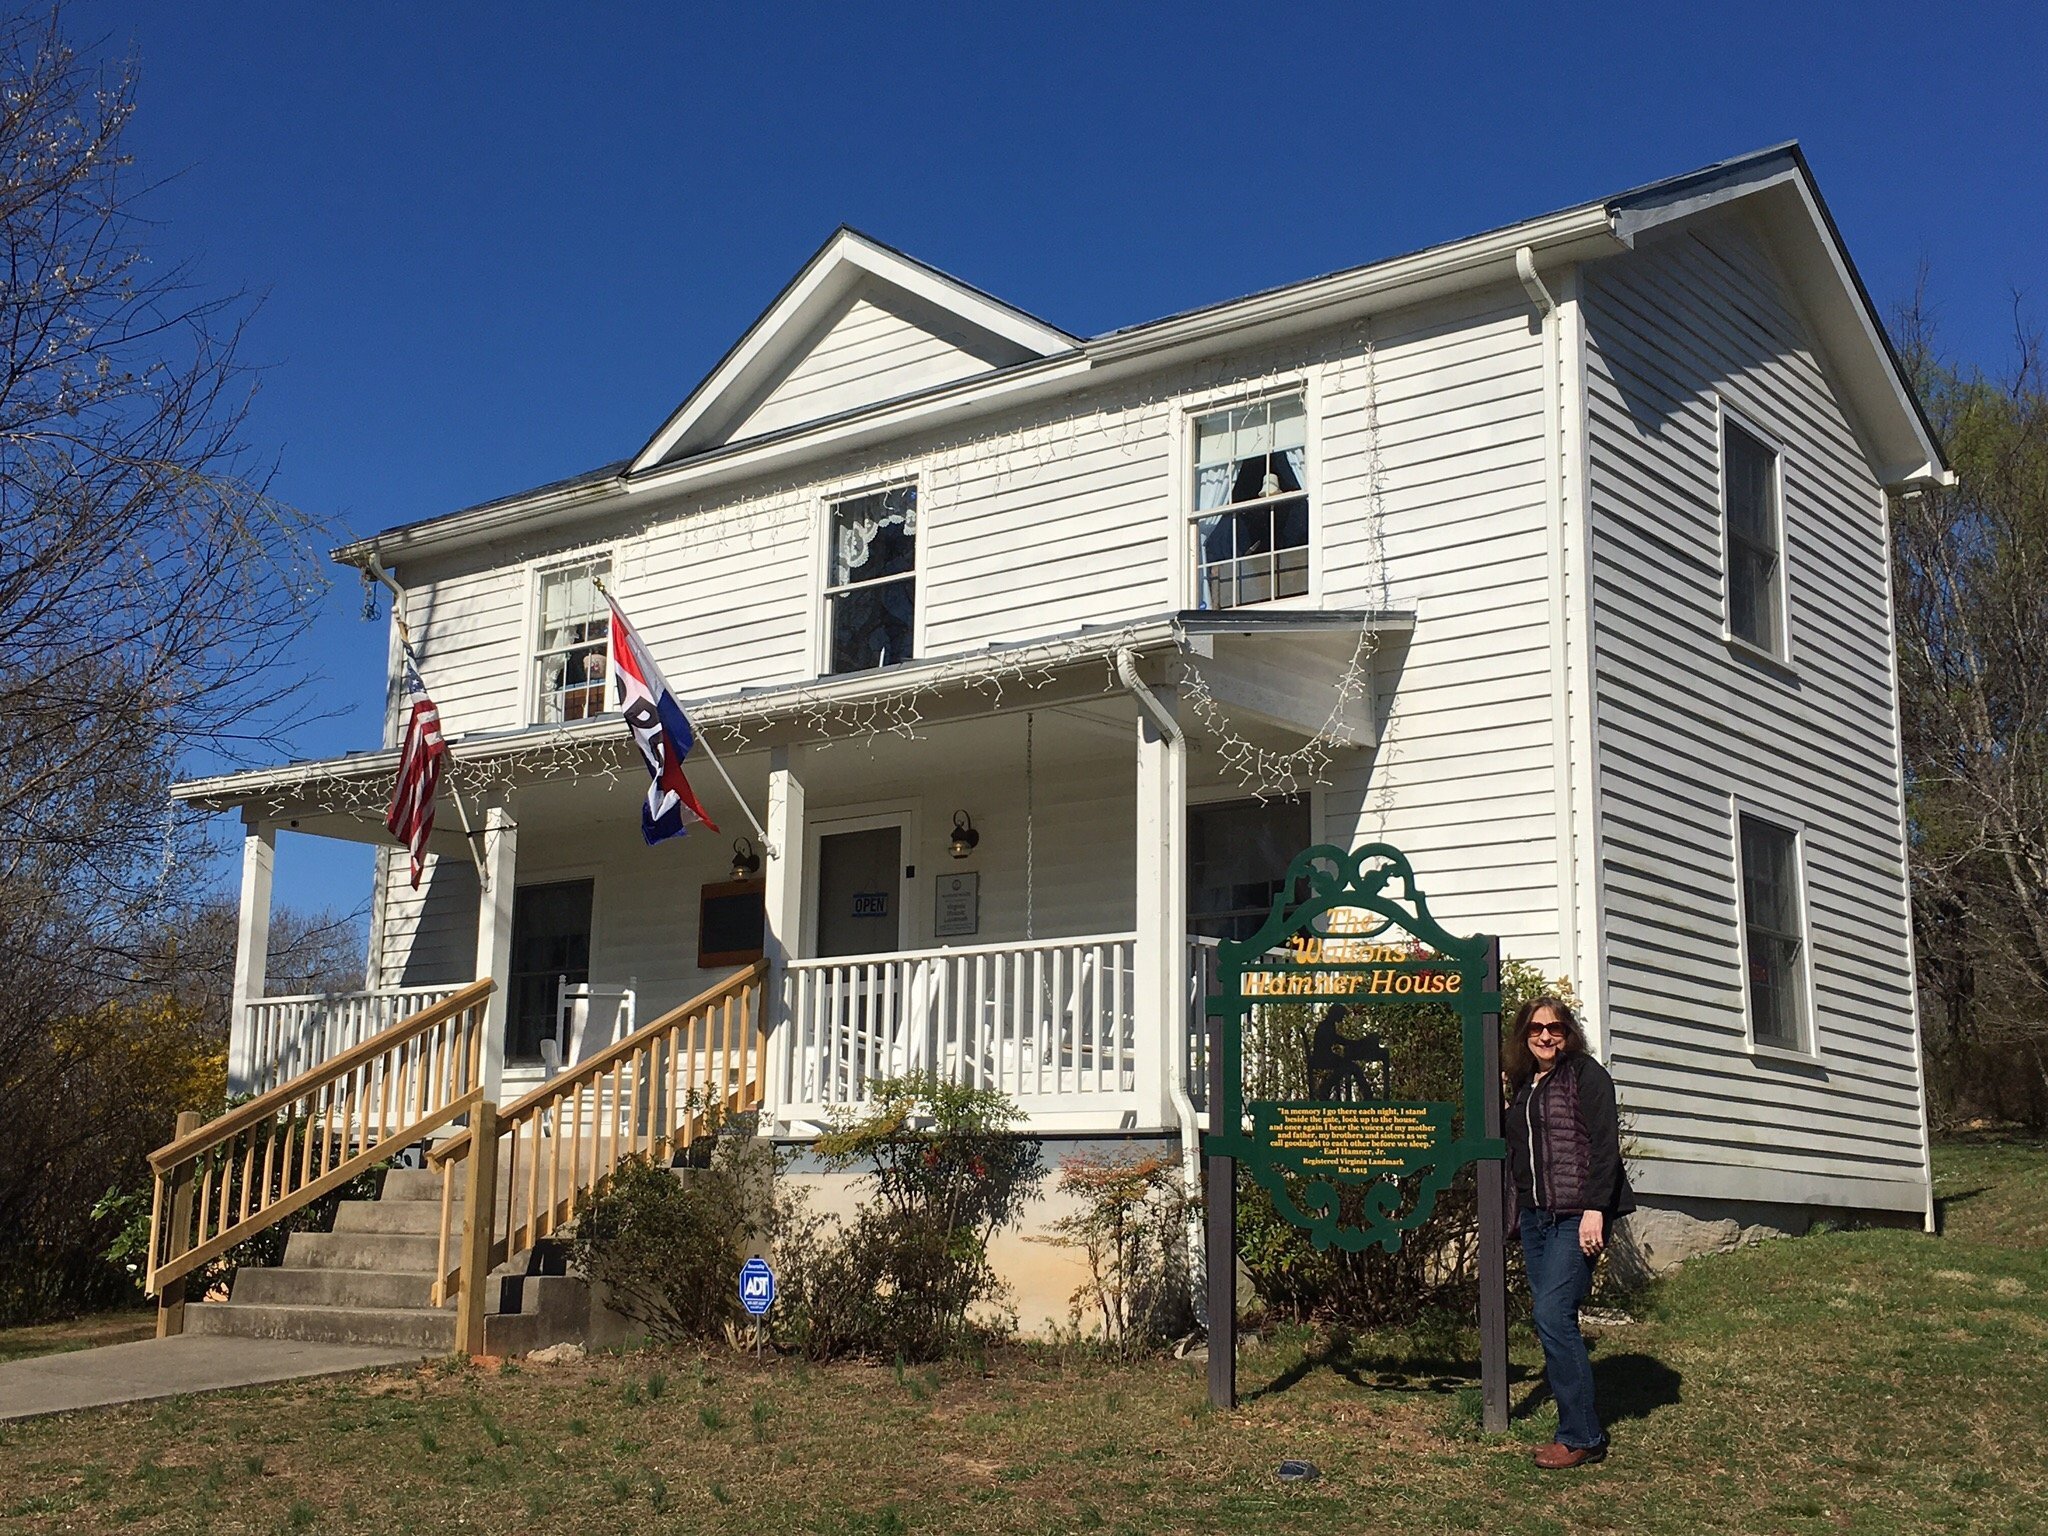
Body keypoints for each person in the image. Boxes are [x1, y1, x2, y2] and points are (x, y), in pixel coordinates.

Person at [1503, 995, 1633, 1469]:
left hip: (1576, 1216)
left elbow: (1604, 1145)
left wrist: (1597, 1210)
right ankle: (1576, 1426)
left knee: (1553, 1314)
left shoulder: (1585, 1074)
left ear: (1567, 1033)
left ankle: (1582, 1436)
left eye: (1554, 1029)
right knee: (1553, 1318)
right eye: (1535, 1029)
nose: (1544, 1036)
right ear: (1524, 1035)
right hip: (1537, 1219)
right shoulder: (1524, 1083)